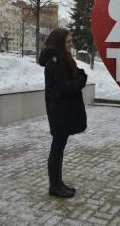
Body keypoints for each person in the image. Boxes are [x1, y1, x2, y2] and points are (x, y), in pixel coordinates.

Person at [39, 28, 88, 198]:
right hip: (60, 112)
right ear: (60, 42)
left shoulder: (60, 59)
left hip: (61, 110)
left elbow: (66, 83)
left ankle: (58, 183)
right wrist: (82, 79)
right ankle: (54, 186)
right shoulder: (55, 61)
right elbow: (66, 88)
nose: (71, 44)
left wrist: (78, 75)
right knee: (57, 147)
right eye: (68, 41)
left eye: (70, 41)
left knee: (59, 146)